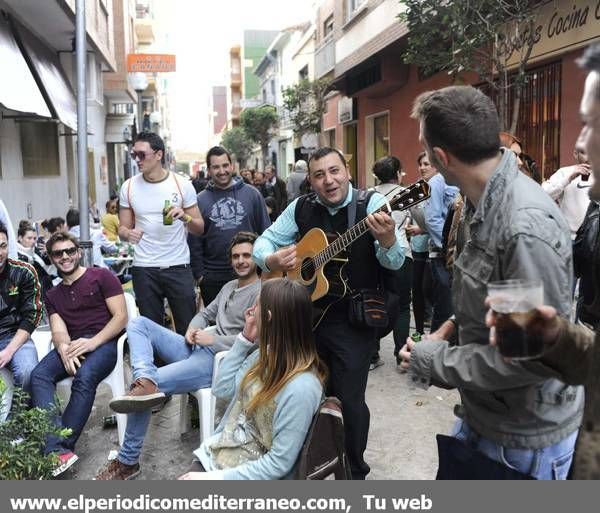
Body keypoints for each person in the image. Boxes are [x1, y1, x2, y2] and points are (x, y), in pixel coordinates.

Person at [400, 85, 582, 480]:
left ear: (443, 158)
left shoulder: (521, 226)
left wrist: (433, 360)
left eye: (425, 148)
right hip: (486, 417)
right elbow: (494, 299)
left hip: (520, 443)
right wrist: (449, 329)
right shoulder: (480, 200)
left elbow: (526, 360)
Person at [253, 147, 404, 479]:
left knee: (349, 400)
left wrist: (389, 240)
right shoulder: (301, 207)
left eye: (334, 171)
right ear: (310, 180)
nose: (328, 181)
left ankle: (353, 472)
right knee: (302, 393)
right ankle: (307, 463)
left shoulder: (372, 206)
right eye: (319, 175)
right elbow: (262, 244)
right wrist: (272, 260)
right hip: (306, 318)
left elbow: (396, 262)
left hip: (353, 320)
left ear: (347, 171)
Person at [95, 232, 261, 480]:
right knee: (139, 324)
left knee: (144, 393)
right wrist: (193, 328)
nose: (240, 261)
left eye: (246, 255)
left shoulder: (263, 292)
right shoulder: (229, 287)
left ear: (256, 258)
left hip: (217, 363)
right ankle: (144, 377)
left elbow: (255, 341)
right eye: (236, 256)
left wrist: (213, 340)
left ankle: (128, 461)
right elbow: (205, 315)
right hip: (196, 348)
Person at [178, 278, 326, 480]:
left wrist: (214, 479)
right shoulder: (263, 356)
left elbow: (279, 464)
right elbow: (221, 390)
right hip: (219, 455)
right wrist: (244, 340)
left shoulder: (302, 388)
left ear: (267, 317)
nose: (250, 311)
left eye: (255, 306)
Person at [29, 232, 127, 476]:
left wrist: (93, 342)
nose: (65, 256)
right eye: (58, 253)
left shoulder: (101, 276)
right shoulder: (52, 294)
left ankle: (61, 448)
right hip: (73, 344)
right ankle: (56, 451)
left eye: (70, 251)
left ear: (78, 252)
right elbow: (58, 328)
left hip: (104, 343)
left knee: (84, 377)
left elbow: (121, 317)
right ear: (51, 258)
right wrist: (62, 346)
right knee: (39, 375)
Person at [118, 131, 204, 335]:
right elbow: (122, 229)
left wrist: (185, 217)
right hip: (144, 267)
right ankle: (157, 367)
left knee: (187, 327)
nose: (137, 160)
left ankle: (187, 366)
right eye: (134, 155)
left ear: (158, 154)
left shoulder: (181, 184)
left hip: (177, 265)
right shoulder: (129, 186)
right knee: (151, 329)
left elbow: (199, 228)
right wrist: (127, 234)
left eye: (142, 154)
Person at [189, 146, 270, 306]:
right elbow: (194, 241)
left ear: (232, 166)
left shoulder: (252, 194)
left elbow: (266, 232)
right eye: (216, 167)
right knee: (216, 327)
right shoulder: (199, 200)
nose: (222, 171)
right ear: (209, 170)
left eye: (225, 165)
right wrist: (200, 276)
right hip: (213, 277)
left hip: (251, 272)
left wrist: (265, 270)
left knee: (252, 324)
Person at [405, 151, 458, 331]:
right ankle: (432, 350)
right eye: (421, 164)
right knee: (444, 309)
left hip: (453, 253)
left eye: (426, 164)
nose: (422, 168)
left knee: (451, 308)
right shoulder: (436, 182)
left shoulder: (453, 178)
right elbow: (433, 219)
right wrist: (448, 246)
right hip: (441, 253)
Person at [369, 156, 413, 370]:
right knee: (403, 306)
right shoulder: (407, 194)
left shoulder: (369, 195)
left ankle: (372, 354)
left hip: (376, 256)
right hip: (403, 252)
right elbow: (422, 219)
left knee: (375, 300)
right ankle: (401, 355)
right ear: (397, 173)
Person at [0, 221, 41, 393]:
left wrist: (9, 351)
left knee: (27, 372)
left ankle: (17, 419)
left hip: (15, 335)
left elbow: (32, 315)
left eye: (3, 246)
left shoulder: (23, 272)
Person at [542, 144, 592, 240]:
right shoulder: (564, 172)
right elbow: (543, 195)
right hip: (570, 239)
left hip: (595, 241)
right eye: (585, 153)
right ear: (575, 154)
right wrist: (568, 179)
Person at [16, 220, 53, 295]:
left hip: (47, 289)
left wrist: (49, 252)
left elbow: (49, 262)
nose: (33, 241)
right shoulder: (16, 256)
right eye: (29, 238)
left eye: (34, 238)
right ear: (20, 238)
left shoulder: (35, 250)